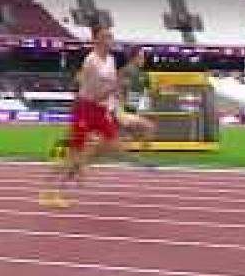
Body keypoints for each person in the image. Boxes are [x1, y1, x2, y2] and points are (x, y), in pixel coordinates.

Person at [40, 27, 123, 209]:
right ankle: (51, 192)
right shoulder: (91, 62)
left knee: (114, 143)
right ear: (98, 41)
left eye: (111, 37)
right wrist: (115, 87)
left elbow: (112, 87)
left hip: (100, 110)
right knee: (73, 155)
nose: (112, 41)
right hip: (85, 108)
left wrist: (116, 101)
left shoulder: (111, 59)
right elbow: (96, 95)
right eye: (108, 38)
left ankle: (82, 163)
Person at [116, 46, 157, 157]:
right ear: (133, 58)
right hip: (121, 111)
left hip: (133, 110)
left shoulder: (144, 75)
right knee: (149, 128)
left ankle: (132, 157)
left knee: (126, 136)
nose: (143, 60)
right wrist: (120, 108)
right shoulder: (126, 71)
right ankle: (143, 158)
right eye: (141, 57)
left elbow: (148, 93)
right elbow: (118, 90)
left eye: (143, 57)